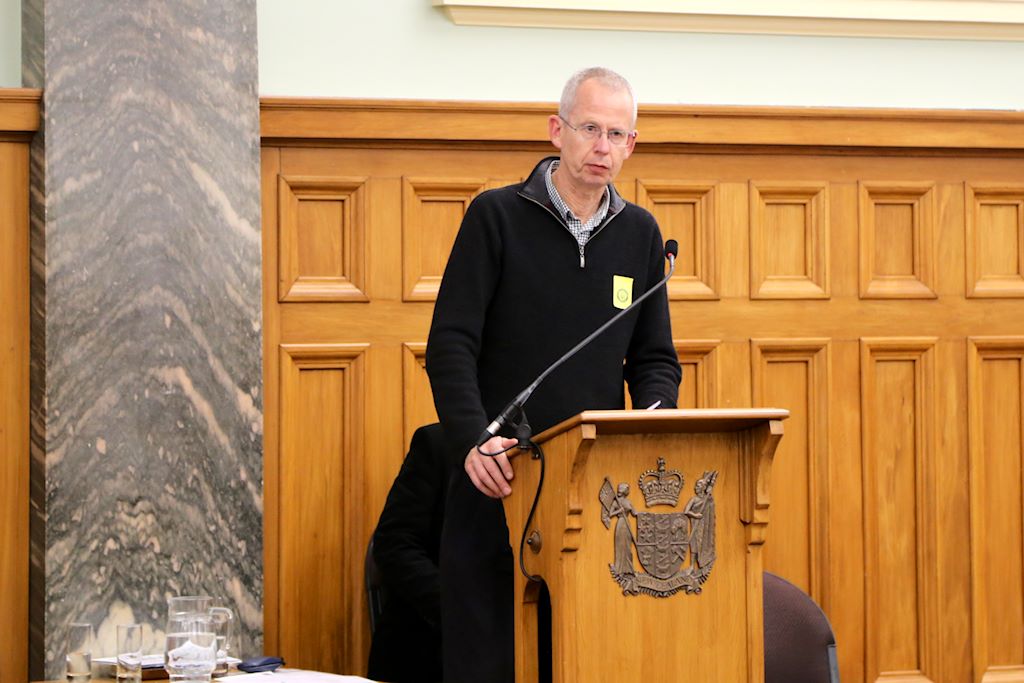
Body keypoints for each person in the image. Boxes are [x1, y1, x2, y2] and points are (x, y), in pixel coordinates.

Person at [425, 66, 682, 683]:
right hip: (499, 484)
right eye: (589, 128)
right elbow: (450, 344)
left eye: (616, 134)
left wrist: (653, 416)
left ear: (631, 145)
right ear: (556, 130)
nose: (602, 146)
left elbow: (654, 360)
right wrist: (473, 441)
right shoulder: (495, 216)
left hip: (590, 498)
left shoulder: (641, 235)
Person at [366, 423, 448, 683]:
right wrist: (458, 610)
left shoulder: (547, 448)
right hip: (428, 651)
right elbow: (394, 543)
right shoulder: (437, 443)